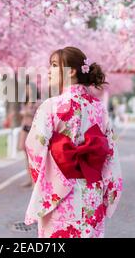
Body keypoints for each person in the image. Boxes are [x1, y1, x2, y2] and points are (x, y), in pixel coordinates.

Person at [24, 46, 122, 238]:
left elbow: (34, 148)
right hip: (91, 192)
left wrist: (44, 182)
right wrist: (108, 189)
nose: (49, 70)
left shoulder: (51, 106)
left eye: (53, 65)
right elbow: (109, 152)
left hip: (60, 193)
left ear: (71, 71)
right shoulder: (99, 108)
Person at [18, 82, 41, 188]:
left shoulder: (38, 102)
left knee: (33, 155)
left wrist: (27, 112)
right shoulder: (25, 102)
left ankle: (35, 180)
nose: (27, 91)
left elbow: (37, 115)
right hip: (24, 129)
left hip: (33, 130)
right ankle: (29, 178)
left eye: (29, 89)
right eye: (26, 89)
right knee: (25, 154)